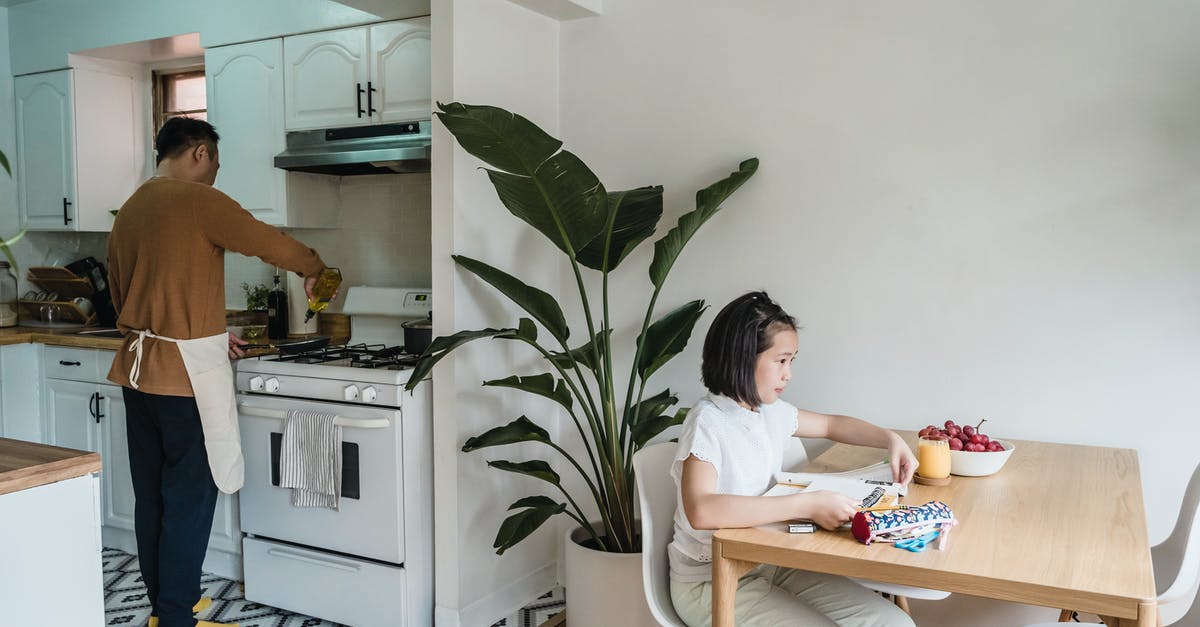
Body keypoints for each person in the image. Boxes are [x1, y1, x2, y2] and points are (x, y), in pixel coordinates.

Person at [105, 117, 330, 627]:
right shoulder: (197, 199)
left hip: (139, 375)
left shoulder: (131, 208)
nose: (214, 177)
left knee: (154, 497)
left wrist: (203, 330)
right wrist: (315, 265)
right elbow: (267, 241)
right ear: (200, 154)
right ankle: (177, 617)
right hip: (183, 381)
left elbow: (124, 298)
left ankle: (167, 606)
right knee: (189, 498)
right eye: (215, 166)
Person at [669, 291, 920, 627]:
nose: (788, 374)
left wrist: (890, 439)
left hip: (770, 559)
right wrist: (806, 504)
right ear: (743, 358)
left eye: (791, 361)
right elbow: (702, 510)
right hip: (711, 580)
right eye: (781, 360)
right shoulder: (708, 422)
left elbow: (832, 425)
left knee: (895, 624)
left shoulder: (768, 412)